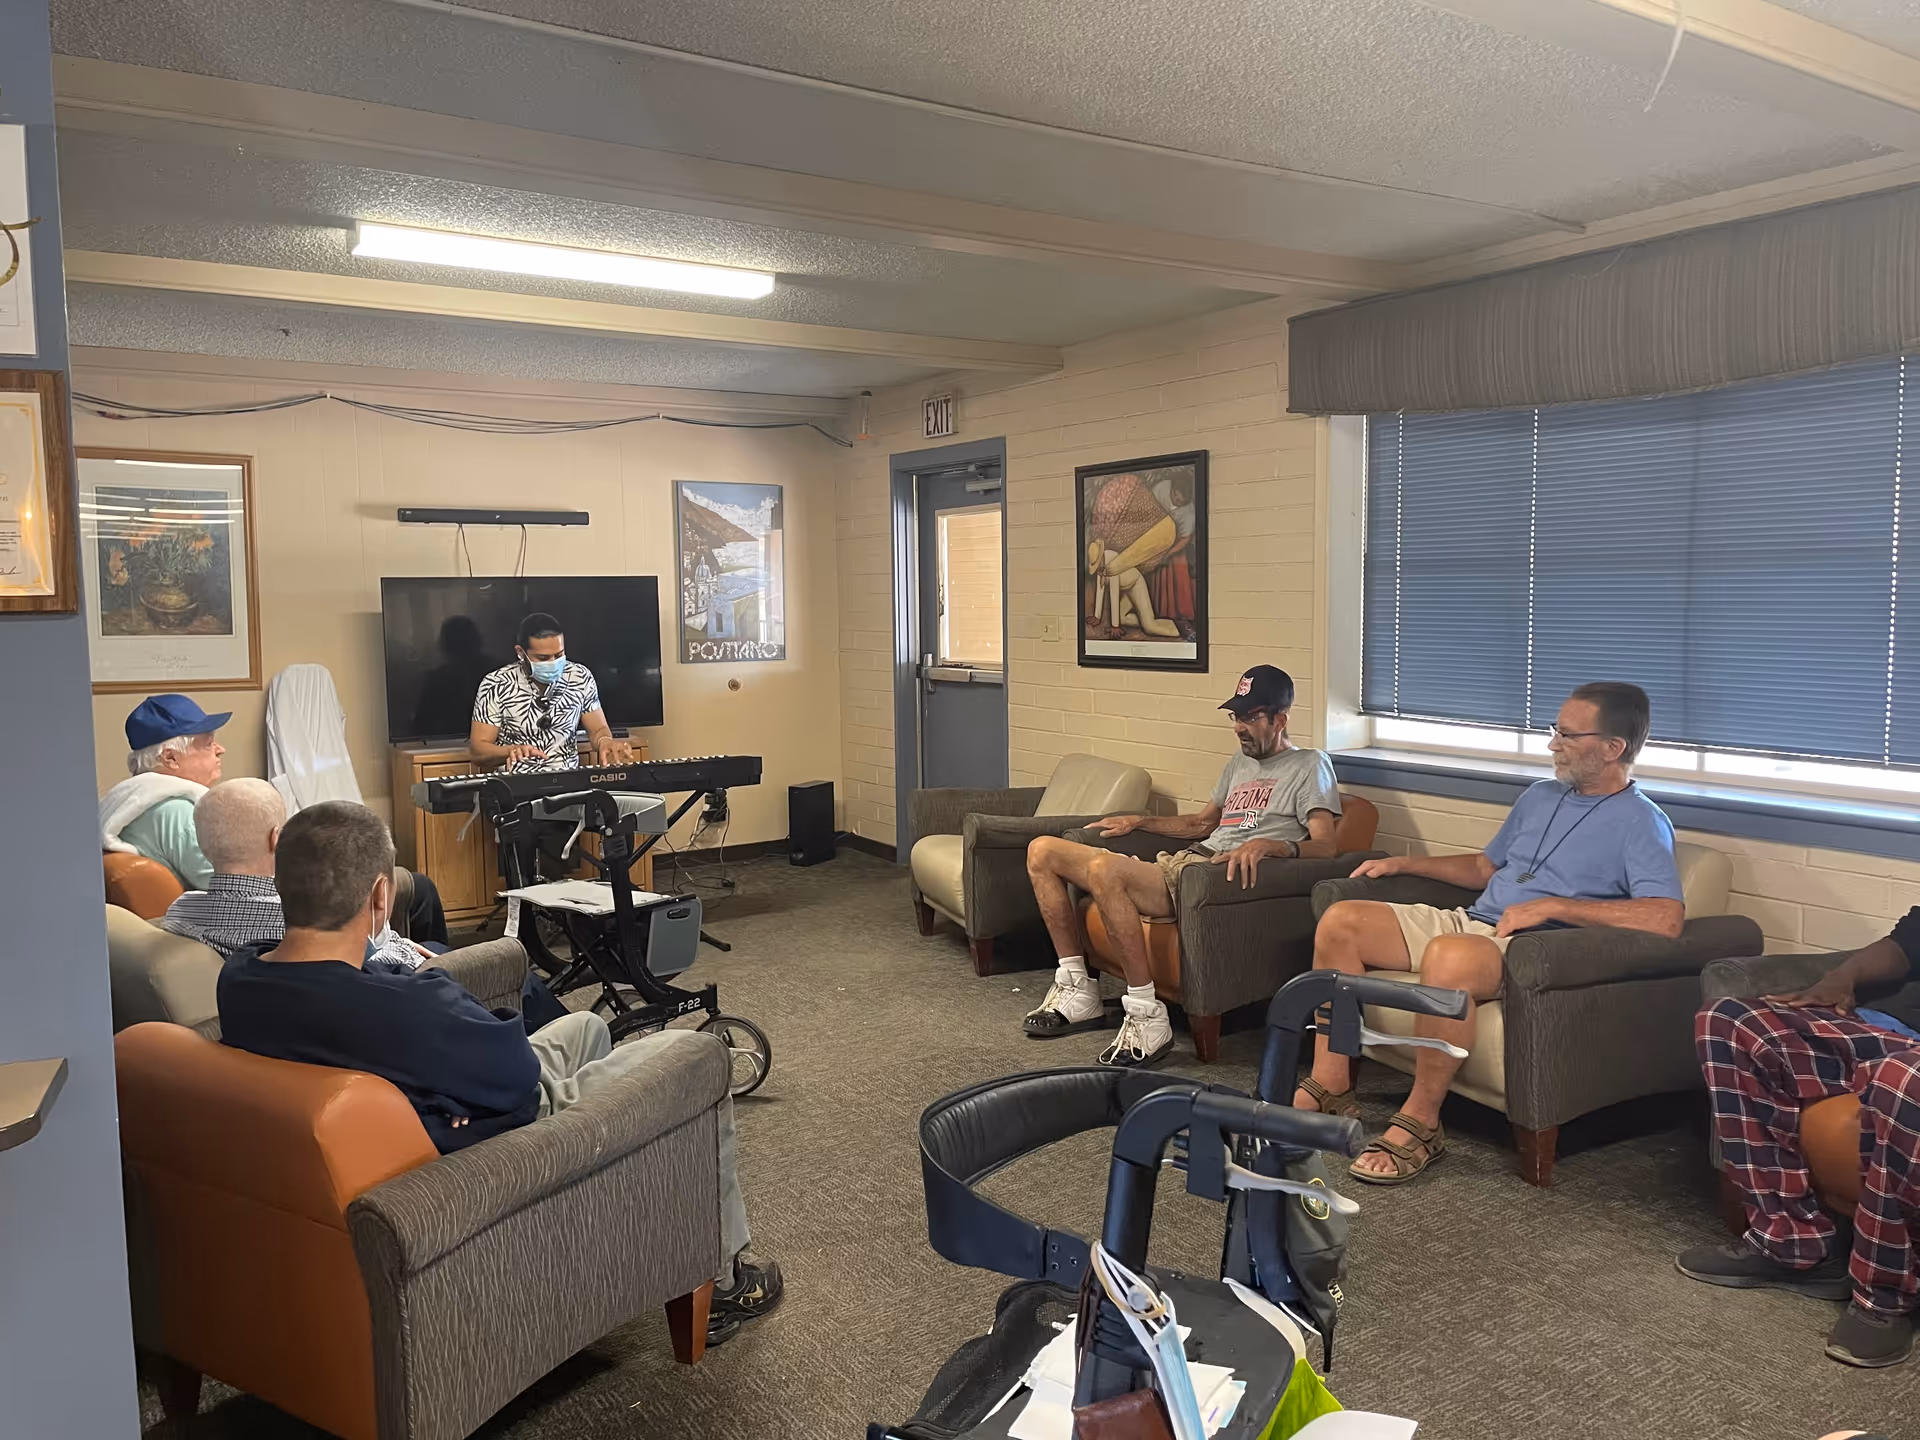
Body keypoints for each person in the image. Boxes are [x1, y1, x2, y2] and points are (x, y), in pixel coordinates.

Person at [217, 801, 782, 1344]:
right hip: (497, 1142)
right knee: (697, 1057)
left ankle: (619, 1200)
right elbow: (514, 1080)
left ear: (281, 886)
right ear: (380, 897)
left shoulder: (241, 981)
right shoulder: (406, 1007)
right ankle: (726, 1282)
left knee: (585, 1029)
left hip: (429, 1102)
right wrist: (433, 994)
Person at [1299, 682, 1685, 1185]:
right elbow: (1486, 867)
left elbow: (1665, 918)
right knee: (1342, 921)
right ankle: (1331, 1084)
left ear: (1613, 748)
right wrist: (1404, 861)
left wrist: (1552, 906)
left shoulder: (1643, 822)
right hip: (1475, 920)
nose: (1552, 744)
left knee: (1450, 956)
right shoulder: (1540, 795)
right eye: (1555, 730)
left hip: (1535, 949)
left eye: (1567, 734)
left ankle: (1421, 1121)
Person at [1022, 665, 1342, 1068]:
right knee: (1042, 851)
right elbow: (1201, 824)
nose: (1240, 728)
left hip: (1215, 881)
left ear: (1280, 719)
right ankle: (1076, 989)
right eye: (1235, 717)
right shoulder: (1239, 764)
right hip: (1187, 863)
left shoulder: (1310, 766)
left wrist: (1275, 845)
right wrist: (1139, 821)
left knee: (1107, 871)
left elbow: (1328, 846)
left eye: (1250, 717)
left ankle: (1146, 1015)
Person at [1678, 918, 1920, 1369]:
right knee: (1728, 1021)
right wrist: (1840, 978)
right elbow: (1908, 941)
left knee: (1901, 1081)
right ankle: (1792, 1243)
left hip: (1909, 1069)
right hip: (1890, 1034)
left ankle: (1885, 1298)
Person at [102, 694, 449, 945]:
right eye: (207, 744)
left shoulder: (132, 804)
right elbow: (242, 882)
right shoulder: (177, 813)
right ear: (170, 758)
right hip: (272, 918)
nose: (220, 749)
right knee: (418, 888)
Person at [157, 779, 438, 974]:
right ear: (276, 839)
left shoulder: (180, 909)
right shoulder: (294, 917)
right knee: (434, 947)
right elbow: (374, 958)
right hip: (380, 983)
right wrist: (401, 946)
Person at [469, 612, 631, 773]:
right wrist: (510, 751)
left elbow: (598, 729)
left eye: (559, 655)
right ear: (520, 652)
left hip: (568, 787)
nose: (554, 663)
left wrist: (605, 741)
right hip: (515, 787)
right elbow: (478, 751)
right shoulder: (497, 683)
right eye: (543, 658)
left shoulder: (580, 676)